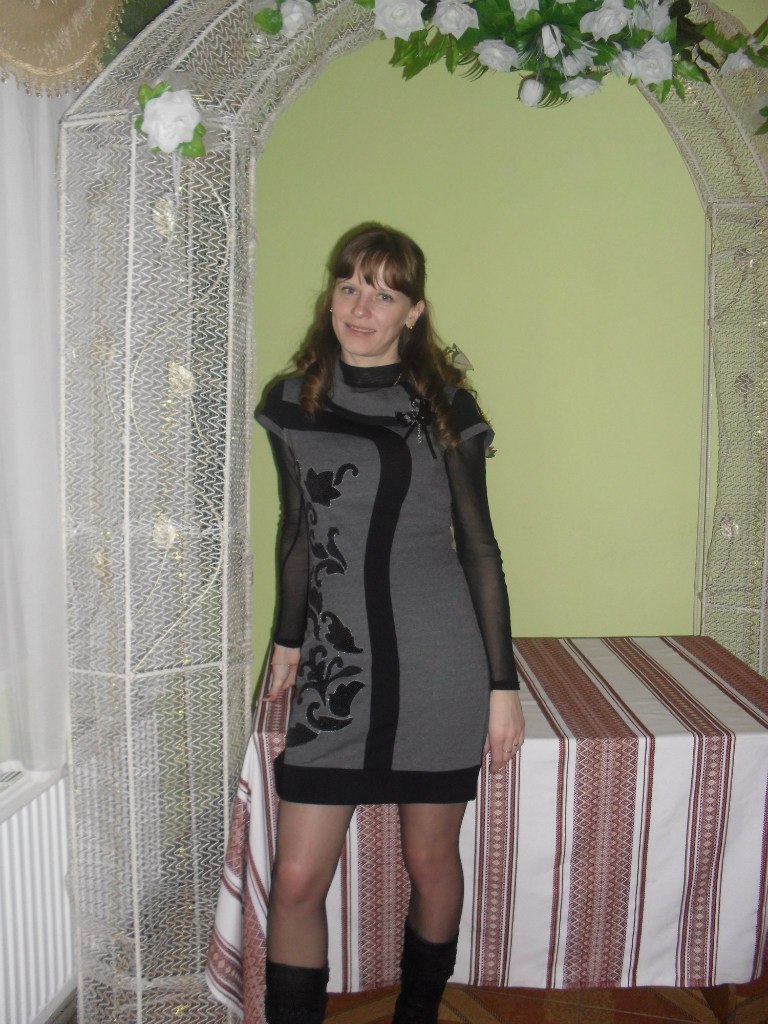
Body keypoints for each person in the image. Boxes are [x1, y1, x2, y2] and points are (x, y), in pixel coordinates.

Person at [255, 224, 525, 1024]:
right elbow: (297, 529)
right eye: (349, 287)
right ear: (330, 296)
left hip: (437, 666)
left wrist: (502, 686)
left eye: (384, 293)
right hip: (337, 671)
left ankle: (417, 1015)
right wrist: (287, 639)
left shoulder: (442, 406)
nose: (361, 307)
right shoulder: (292, 401)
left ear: (414, 312)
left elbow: (479, 547)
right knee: (296, 880)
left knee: (429, 860)